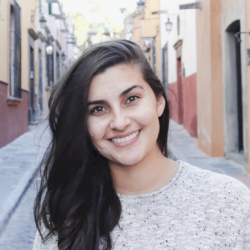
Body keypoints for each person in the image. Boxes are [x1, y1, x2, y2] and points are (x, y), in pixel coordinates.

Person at [32, 39, 250, 250]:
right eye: (98, 109)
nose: (119, 122)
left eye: (131, 99)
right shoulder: (65, 212)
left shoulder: (228, 200)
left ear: (158, 102)